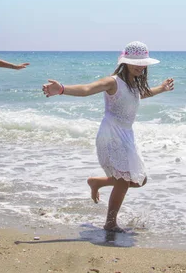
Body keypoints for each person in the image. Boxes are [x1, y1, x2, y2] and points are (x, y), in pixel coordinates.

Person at [42, 41, 174, 232]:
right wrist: (62, 89)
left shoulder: (133, 84)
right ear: (125, 62)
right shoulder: (113, 81)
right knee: (123, 181)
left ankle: (96, 182)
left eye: (143, 63)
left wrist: (161, 88)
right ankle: (110, 223)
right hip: (111, 134)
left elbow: (139, 96)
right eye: (135, 62)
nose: (140, 66)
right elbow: (87, 89)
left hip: (126, 135)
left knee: (139, 179)